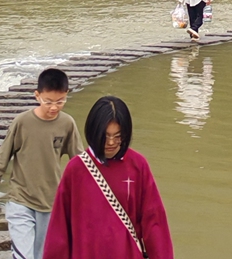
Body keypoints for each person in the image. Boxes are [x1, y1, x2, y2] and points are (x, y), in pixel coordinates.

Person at [43, 96, 173, 259]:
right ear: (93, 132)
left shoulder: (137, 166)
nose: (111, 142)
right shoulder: (76, 170)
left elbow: (154, 222)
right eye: (105, 136)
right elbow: (60, 229)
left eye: (118, 136)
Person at [0, 68, 82, 259]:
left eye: (60, 101)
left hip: (51, 204)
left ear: (66, 94)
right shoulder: (22, 122)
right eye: (48, 102)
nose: (54, 107)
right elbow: (1, 160)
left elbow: (80, 163)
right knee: (24, 256)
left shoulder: (67, 124)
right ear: (37, 96)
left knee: (42, 255)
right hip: (20, 200)